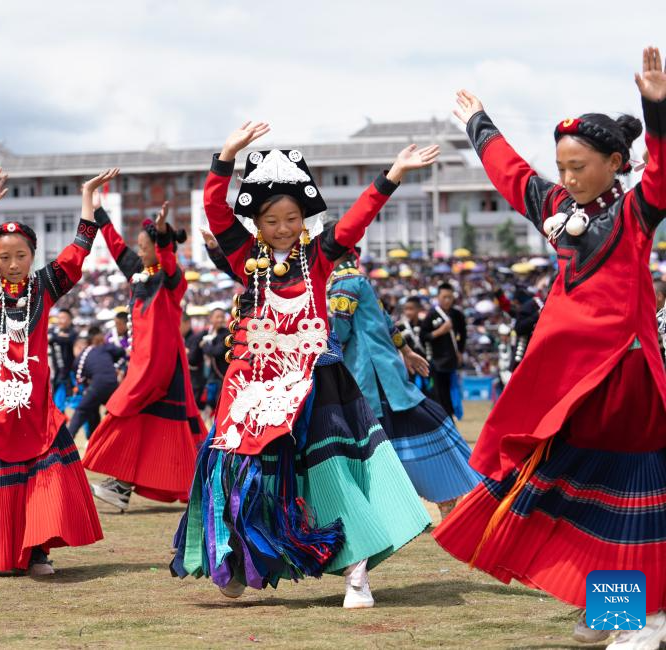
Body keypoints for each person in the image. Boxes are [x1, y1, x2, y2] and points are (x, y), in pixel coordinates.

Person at [434, 49, 666, 648]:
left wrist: (657, 106)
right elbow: (511, 174)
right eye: (561, 166)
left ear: (617, 163)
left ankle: (636, 618)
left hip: (622, 378)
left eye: (580, 166)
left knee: (626, 496)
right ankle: (618, 607)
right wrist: (479, 124)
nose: (567, 177)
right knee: (567, 490)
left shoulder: (635, 214)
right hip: (564, 386)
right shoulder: (557, 208)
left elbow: (662, 172)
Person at [172, 121, 436, 606]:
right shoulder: (243, 257)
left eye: (291, 218)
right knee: (236, 467)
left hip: (314, 379)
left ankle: (357, 572)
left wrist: (392, 175)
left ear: (303, 219)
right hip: (251, 380)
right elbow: (213, 205)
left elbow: (358, 219)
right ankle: (237, 558)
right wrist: (225, 154)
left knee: (330, 471)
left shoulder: (318, 257)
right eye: (272, 220)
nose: (281, 228)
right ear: (256, 223)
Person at [0, 167, 107, 576]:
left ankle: (38, 550)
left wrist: (86, 200)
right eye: (4, 257)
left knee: (41, 475)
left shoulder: (45, 285)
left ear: (33, 255)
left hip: (35, 401)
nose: (13, 264)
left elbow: (79, 251)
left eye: (21, 255)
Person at [330, 251, 480, 519]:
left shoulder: (343, 283)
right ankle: (434, 497)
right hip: (381, 370)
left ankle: (434, 495)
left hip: (369, 374)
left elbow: (340, 332)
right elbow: (387, 322)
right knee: (400, 431)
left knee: (380, 436)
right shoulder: (359, 280)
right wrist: (407, 352)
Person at [84, 199, 208, 511]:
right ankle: (123, 487)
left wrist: (164, 230)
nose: (139, 252)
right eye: (138, 246)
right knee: (151, 429)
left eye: (144, 246)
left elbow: (167, 256)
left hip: (162, 368)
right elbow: (114, 246)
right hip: (144, 367)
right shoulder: (139, 273)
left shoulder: (172, 279)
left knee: (137, 421)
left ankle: (206, 483)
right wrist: (97, 208)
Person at [65, 325, 124, 439]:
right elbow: (121, 352)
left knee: (82, 410)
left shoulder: (82, 356)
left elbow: (80, 378)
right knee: (111, 411)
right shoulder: (104, 348)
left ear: (80, 346)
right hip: (113, 384)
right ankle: (100, 438)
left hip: (98, 384)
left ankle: (69, 439)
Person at [420, 282, 466, 418]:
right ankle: (444, 421)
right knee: (439, 395)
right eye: (444, 297)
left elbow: (463, 334)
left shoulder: (457, 315)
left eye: (450, 297)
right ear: (438, 298)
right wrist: (440, 331)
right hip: (437, 361)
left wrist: (461, 351)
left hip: (452, 361)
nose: (447, 300)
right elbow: (423, 336)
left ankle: (451, 419)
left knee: (452, 394)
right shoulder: (431, 315)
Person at [49, 308, 77, 412]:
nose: (61, 320)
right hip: (57, 374)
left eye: (64, 318)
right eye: (59, 318)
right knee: (57, 404)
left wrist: (55, 338)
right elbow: (49, 338)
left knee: (73, 403)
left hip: (70, 374)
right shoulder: (54, 332)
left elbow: (69, 340)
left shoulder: (73, 333)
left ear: (70, 320)